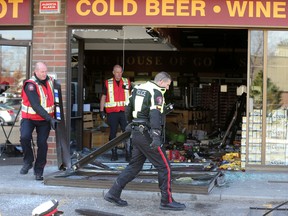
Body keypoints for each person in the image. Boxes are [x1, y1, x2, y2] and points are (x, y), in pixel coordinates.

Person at [104, 72, 186, 211]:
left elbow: (128, 107)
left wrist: (130, 122)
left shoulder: (138, 88)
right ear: (161, 81)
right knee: (165, 167)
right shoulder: (156, 92)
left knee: (134, 166)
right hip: (147, 134)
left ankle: (113, 193)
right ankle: (166, 201)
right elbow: (154, 114)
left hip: (137, 132)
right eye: (167, 85)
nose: (167, 88)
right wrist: (156, 135)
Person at [20, 62, 58, 181]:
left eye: (46, 71)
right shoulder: (30, 85)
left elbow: (57, 98)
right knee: (25, 137)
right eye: (42, 71)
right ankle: (28, 160)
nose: (44, 74)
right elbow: (35, 105)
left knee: (42, 144)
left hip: (44, 120)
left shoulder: (51, 81)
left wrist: (56, 116)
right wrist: (50, 118)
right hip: (29, 118)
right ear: (35, 72)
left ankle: (39, 171)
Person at [99, 64, 131, 161]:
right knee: (113, 133)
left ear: (122, 72)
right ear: (113, 73)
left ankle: (128, 153)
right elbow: (103, 97)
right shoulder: (107, 83)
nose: (118, 74)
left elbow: (131, 96)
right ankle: (114, 153)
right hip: (112, 113)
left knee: (127, 132)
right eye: (116, 72)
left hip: (124, 112)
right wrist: (101, 111)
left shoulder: (127, 82)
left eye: (120, 72)